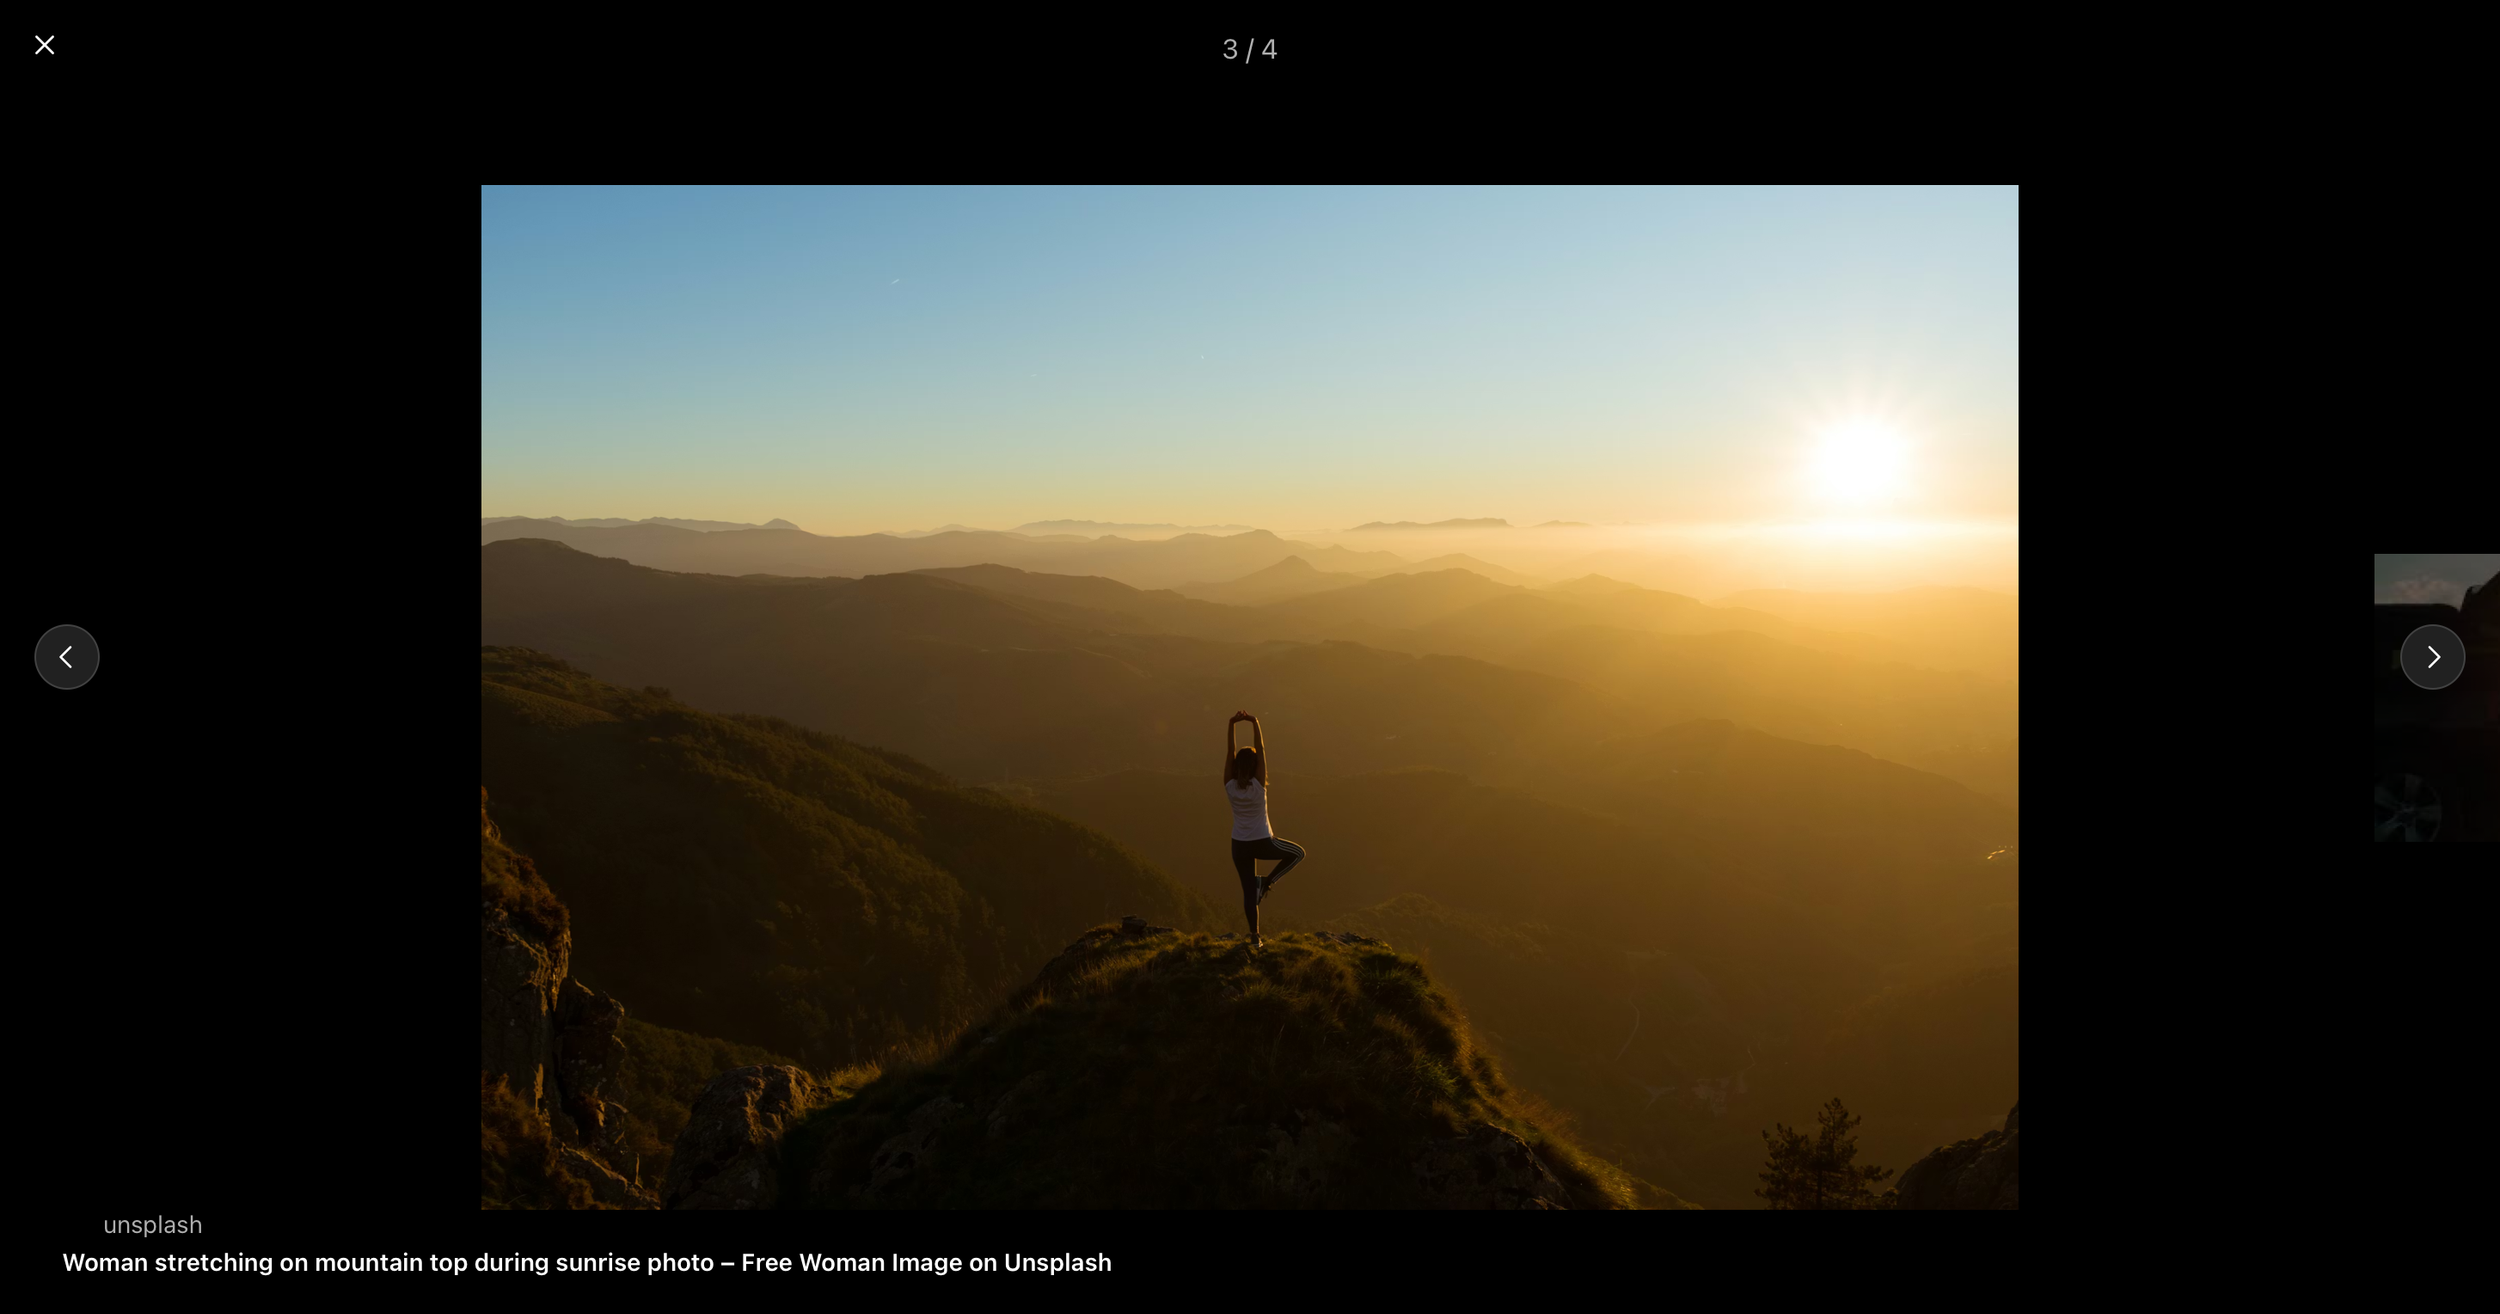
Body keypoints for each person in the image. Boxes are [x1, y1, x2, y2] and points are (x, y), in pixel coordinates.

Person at [1225, 711, 1305, 950]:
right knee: (1298, 854)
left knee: (1248, 893)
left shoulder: (1229, 786)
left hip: (1239, 845)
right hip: (1262, 841)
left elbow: (1230, 751)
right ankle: (1268, 882)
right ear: (1255, 766)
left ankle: (1254, 936)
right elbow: (1261, 749)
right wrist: (1254, 721)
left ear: (1235, 765)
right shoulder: (1259, 786)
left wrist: (1231, 724)